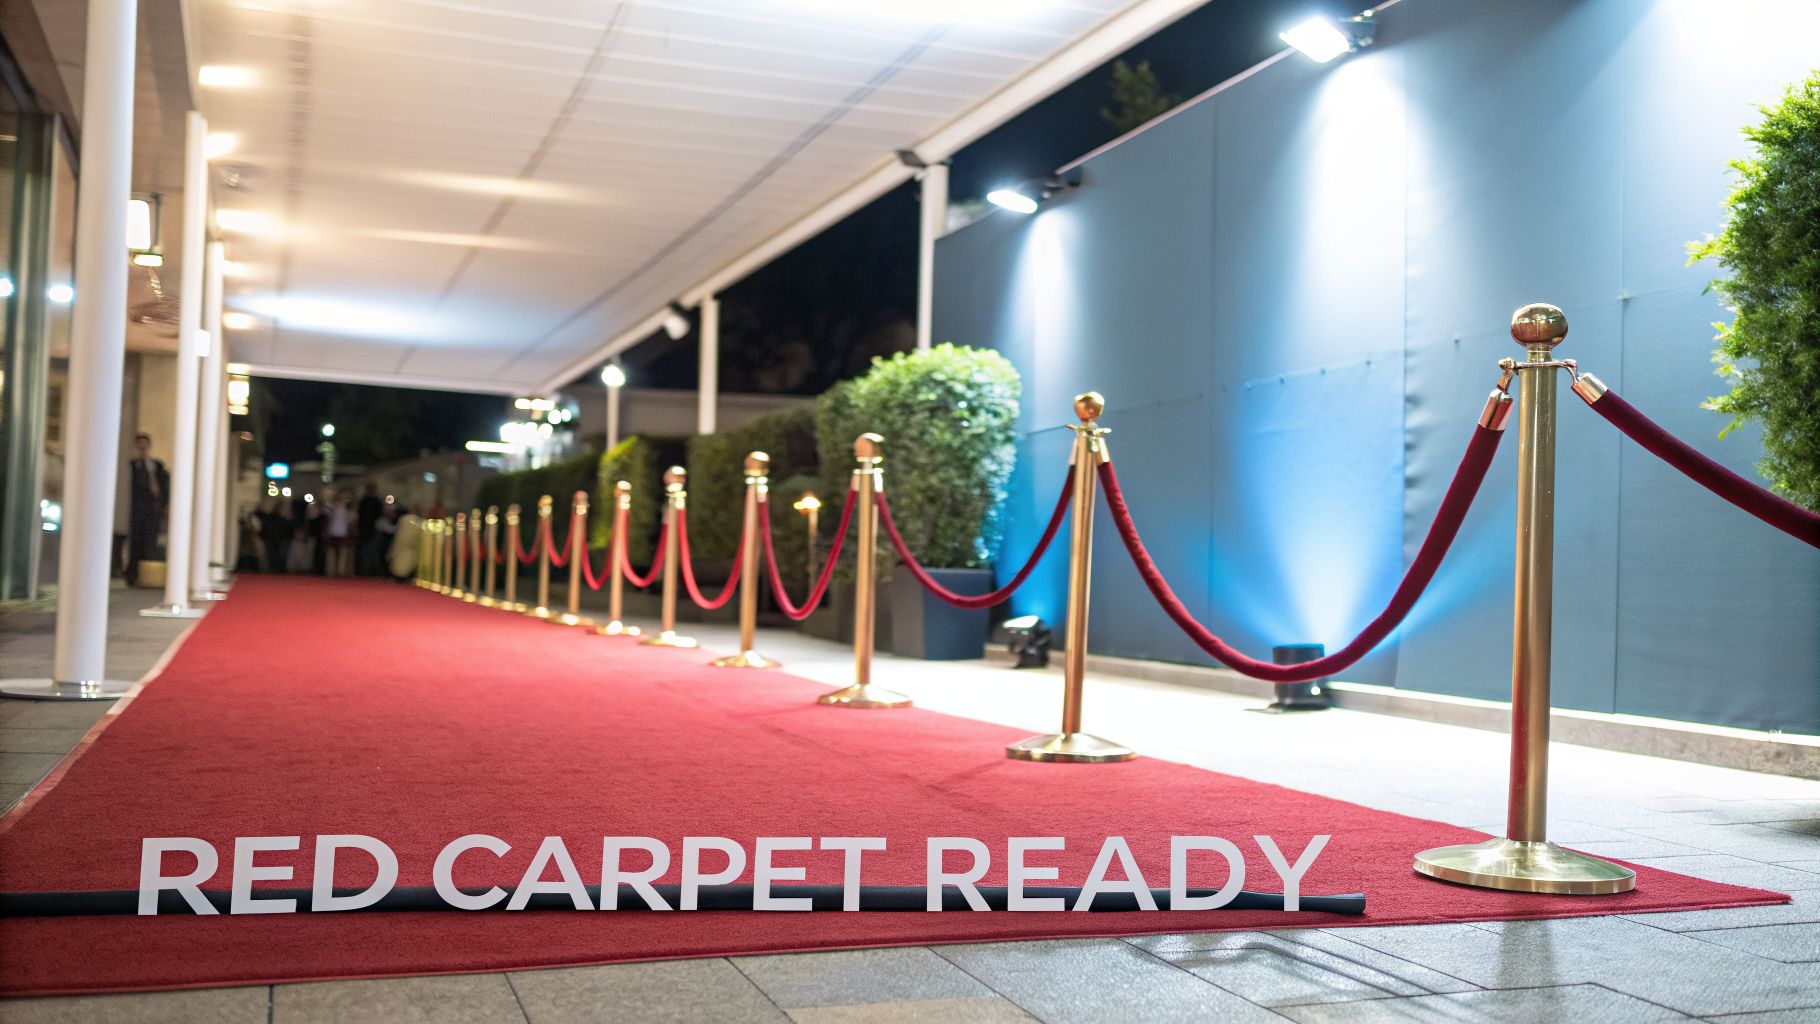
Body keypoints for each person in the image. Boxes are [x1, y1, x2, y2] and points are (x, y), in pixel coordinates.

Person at [124, 432, 169, 587]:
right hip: (136, 509)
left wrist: (163, 504)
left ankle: (146, 574)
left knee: (150, 541)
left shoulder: (156, 466)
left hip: (152, 510)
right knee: (135, 542)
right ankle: (133, 574)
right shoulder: (133, 465)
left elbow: (163, 487)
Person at [324, 491, 354, 577]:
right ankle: (330, 571)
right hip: (332, 532)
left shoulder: (347, 508)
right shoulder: (330, 507)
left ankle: (341, 571)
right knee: (331, 553)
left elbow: (351, 521)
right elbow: (326, 519)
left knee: (343, 553)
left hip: (343, 533)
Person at [356, 484, 384, 575]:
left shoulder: (365, 501)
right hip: (367, 530)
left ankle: (368, 571)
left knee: (369, 552)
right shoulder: (372, 502)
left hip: (368, 530)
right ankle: (369, 571)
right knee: (368, 552)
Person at [260, 500, 295, 573]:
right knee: (273, 556)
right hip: (272, 539)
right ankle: (274, 570)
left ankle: (280, 570)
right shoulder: (271, 517)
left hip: (283, 539)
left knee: (282, 556)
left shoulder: (287, 519)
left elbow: (290, 529)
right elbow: (266, 528)